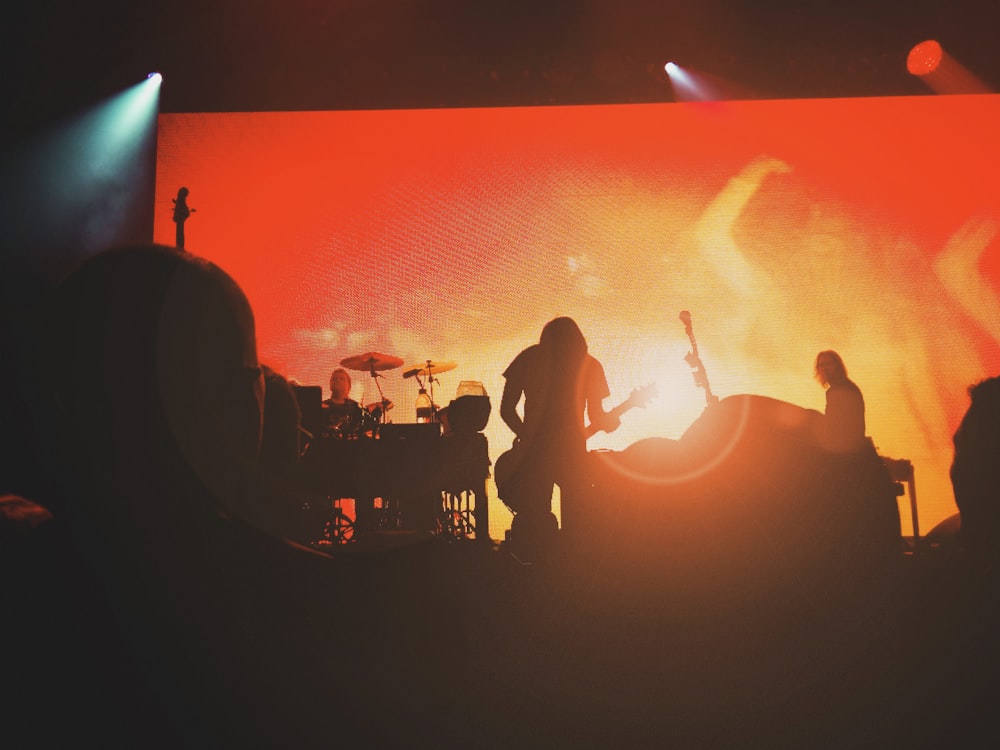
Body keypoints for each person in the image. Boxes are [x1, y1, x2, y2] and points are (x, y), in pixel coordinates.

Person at [499, 316, 619, 544]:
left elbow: (506, 410)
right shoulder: (589, 365)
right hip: (572, 453)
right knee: (575, 522)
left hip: (534, 454)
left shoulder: (529, 358)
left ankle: (534, 569)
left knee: (536, 523)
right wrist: (612, 422)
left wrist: (526, 437)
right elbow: (597, 417)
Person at [814, 349, 866, 453]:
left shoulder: (841, 389)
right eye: (821, 365)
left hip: (844, 448)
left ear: (837, 366)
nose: (824, 368)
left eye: (828, 364)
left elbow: (834, 423)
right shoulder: (840, 387)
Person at [323, 367, 363, 438]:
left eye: (342, 379)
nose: (337, 380)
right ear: (330, 386)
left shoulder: (356, 408)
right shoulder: (321, 406)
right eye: (334, 379)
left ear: (349, 386)